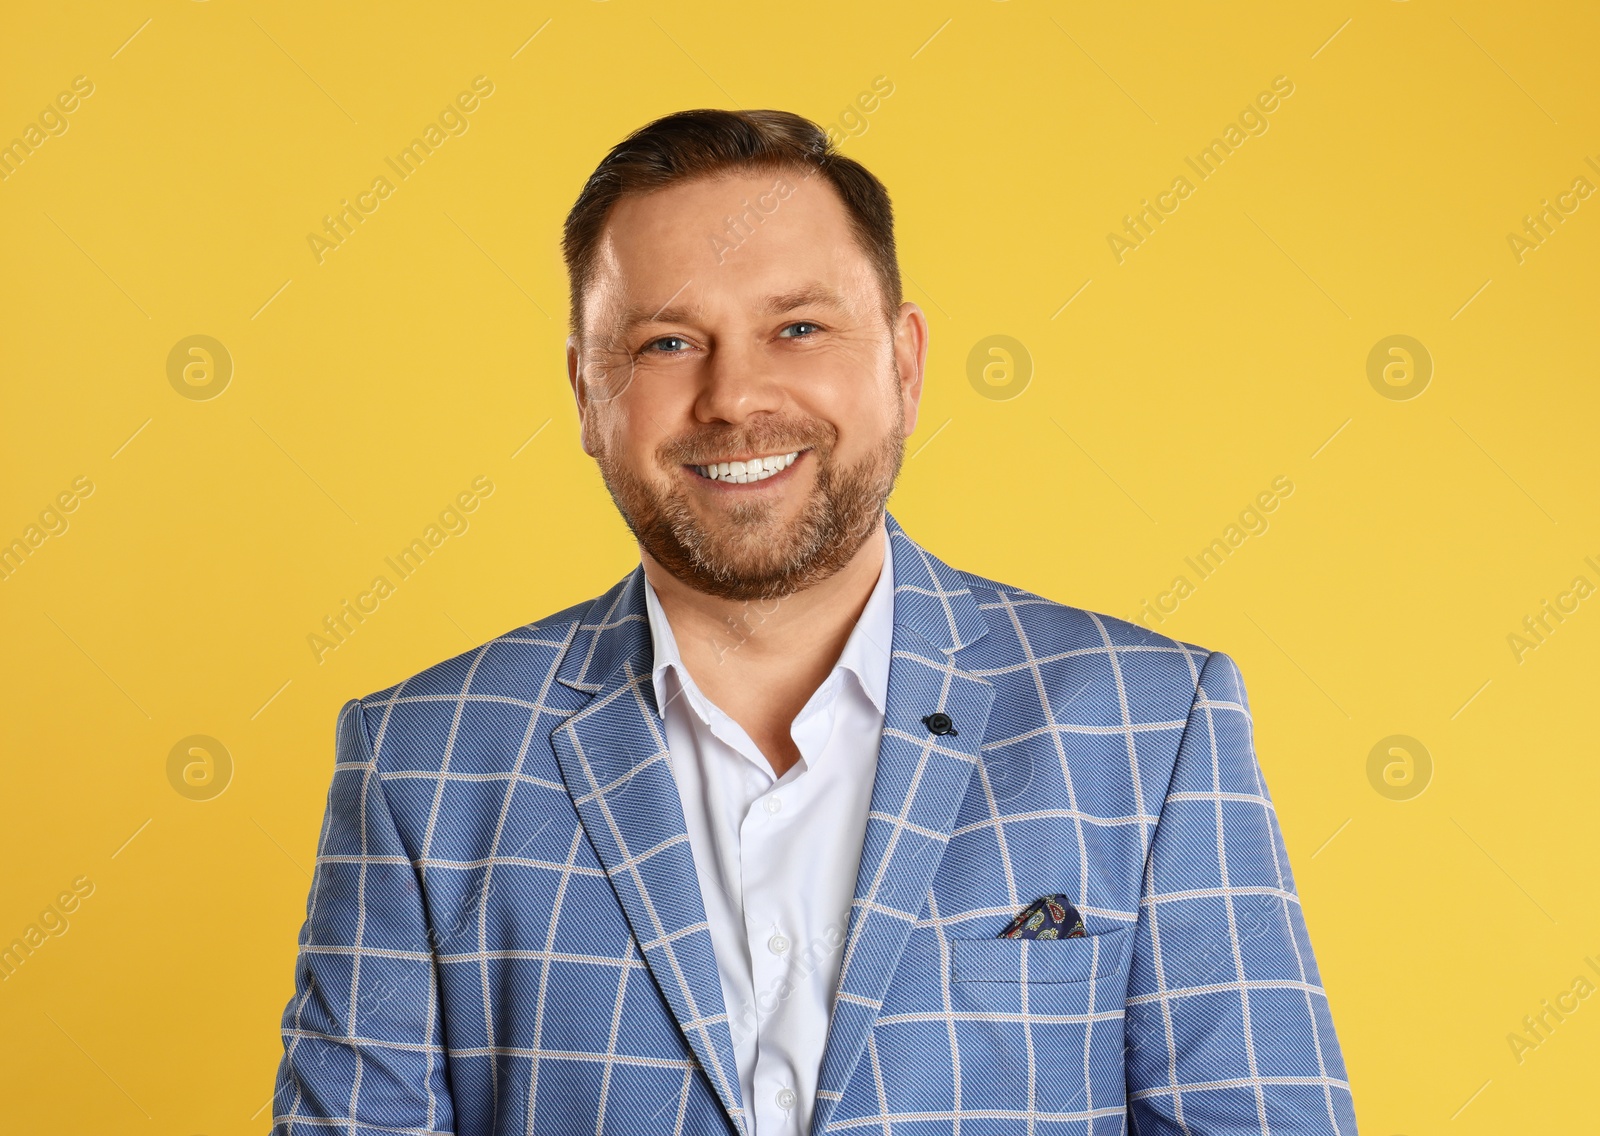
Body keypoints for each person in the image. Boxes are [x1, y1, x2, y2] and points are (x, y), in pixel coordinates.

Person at [272, 108, 1357, 1135]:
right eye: (663, 343)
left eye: (797, 326)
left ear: (903, 361)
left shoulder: (1152, 724)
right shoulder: (422, 758)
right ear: (586, 396)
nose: (735, 396)